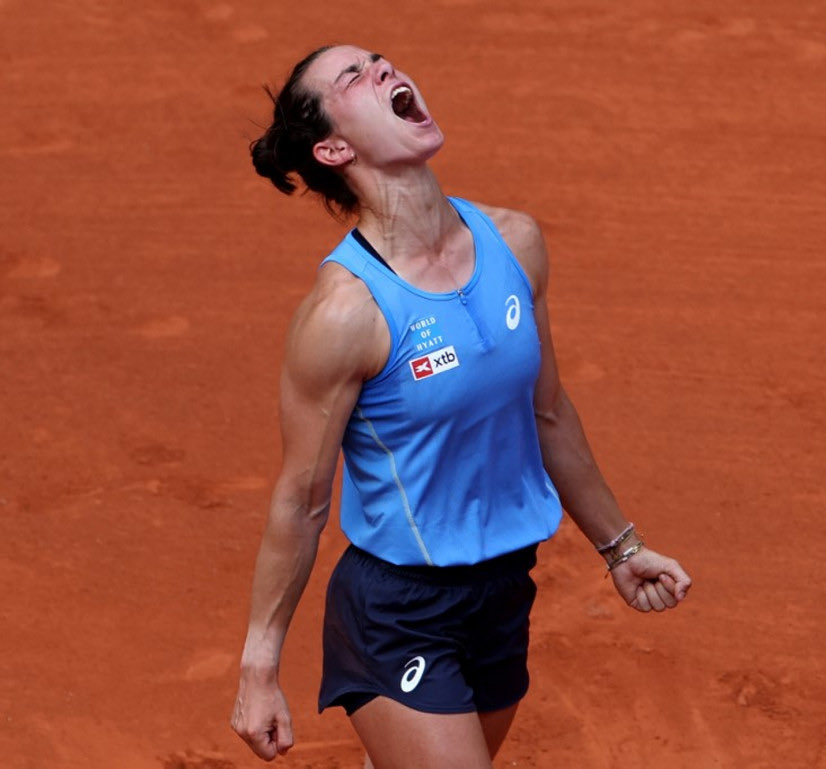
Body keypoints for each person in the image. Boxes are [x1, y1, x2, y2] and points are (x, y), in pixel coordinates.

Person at [230, 44, 692, 768]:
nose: (382, 70)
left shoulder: (515, 242)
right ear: (333, 146)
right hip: (398, 609)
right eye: (353, 77)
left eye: (380, 61)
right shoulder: (346, 313)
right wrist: (259, 669)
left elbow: (547, 414)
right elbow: (302, 500)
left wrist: (621, 548)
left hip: (504, 589)